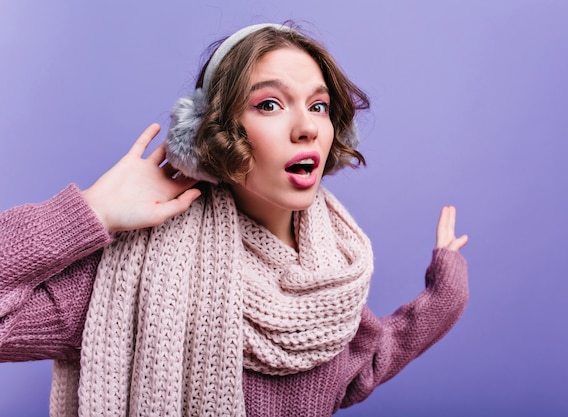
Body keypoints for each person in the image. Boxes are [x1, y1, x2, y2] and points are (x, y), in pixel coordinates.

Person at [0, 22, 469, 417]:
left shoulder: (330, 275)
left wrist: (444, 296)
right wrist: (91, 210)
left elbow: (359, 369)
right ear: (215, 133)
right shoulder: (132, 279)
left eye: (319, 106)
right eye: (269, 104)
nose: (306, 126)